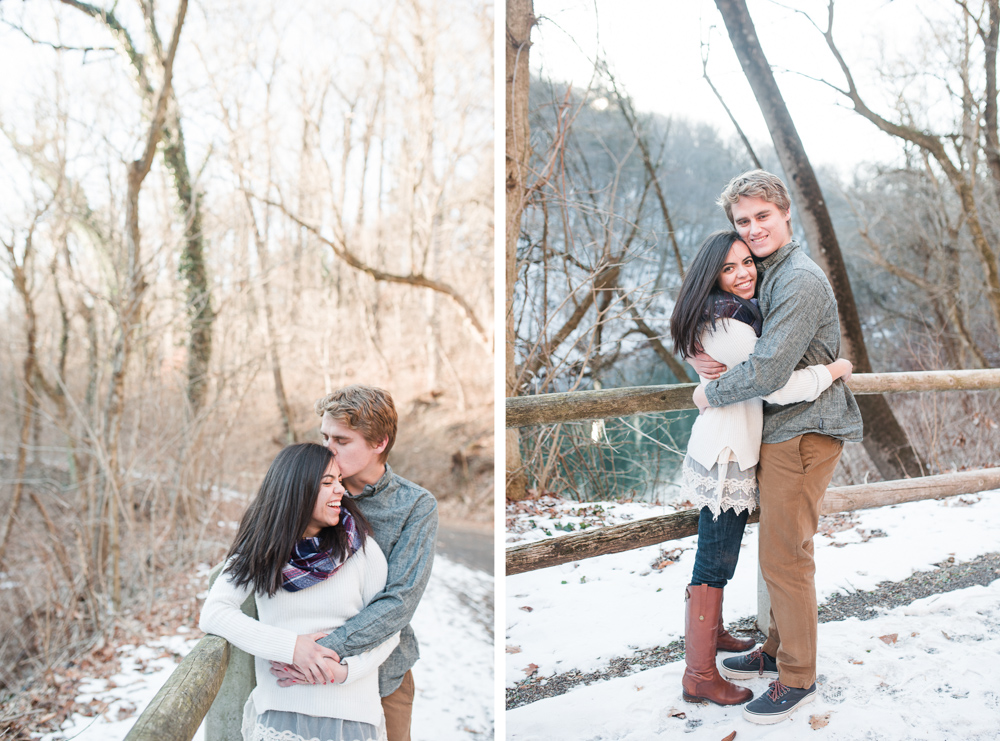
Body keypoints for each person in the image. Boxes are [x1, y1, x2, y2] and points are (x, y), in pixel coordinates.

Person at [689, 170, 864, 724]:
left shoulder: (798, 281)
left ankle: (797, 677)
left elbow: (764, 371)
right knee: (777, 555)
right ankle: (775, 648)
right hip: (780, 431)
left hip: (805, 430)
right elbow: (731, 342)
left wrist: (709, 391)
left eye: (763, 216)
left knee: (787, 559)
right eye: (743, 221)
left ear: (785, 213)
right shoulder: (764, 274)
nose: (754, 228)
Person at [270, 385, 438, 741]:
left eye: (341, 441)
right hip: (302, 677)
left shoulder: (414, 506)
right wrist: (294, 650)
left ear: (379, 443)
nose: (327, 449)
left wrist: (326, 649)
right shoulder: (311, 490)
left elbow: (400, 601)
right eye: (325, 437)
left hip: (381, 675)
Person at [200, 442, 399, 741]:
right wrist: (292, 647)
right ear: (297, 489)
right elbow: (215, 613)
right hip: (281, 710)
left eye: (340, 481)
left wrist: (344, 671)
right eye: (327, 482)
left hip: (351, 714)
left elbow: (390, 629)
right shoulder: (260, 551)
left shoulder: (363, 551)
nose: (340, 491)